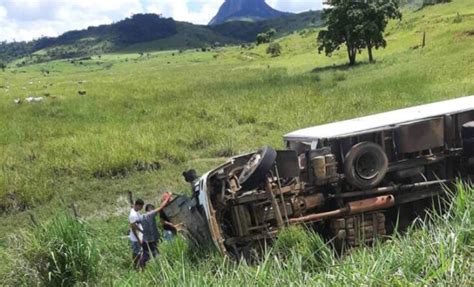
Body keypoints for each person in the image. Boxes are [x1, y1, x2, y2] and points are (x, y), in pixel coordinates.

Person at [139, 194, 172, 268]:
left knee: (146, 254)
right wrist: (168, 198)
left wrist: (141, 233)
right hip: (152, 240)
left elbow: (134, 225)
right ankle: (160, 267)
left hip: (145, 240)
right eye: (153, 208)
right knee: (157, 254)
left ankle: (142, 266)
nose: (154, 210)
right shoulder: (151, 214)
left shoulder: (141, 216)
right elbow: (161, 207)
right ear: (149, 209)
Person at [129, 199, 144, 268]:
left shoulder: (135, 210)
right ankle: (136, 266)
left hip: (138, 236)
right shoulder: (133, 215)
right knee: (136, 253)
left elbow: (135, 226)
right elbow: (133, 229)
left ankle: (138, 265)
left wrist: (141, 231)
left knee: (139, 252)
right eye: (141, 207)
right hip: (135, 238)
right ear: (137, 205)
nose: (141, 208)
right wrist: (138, 239)